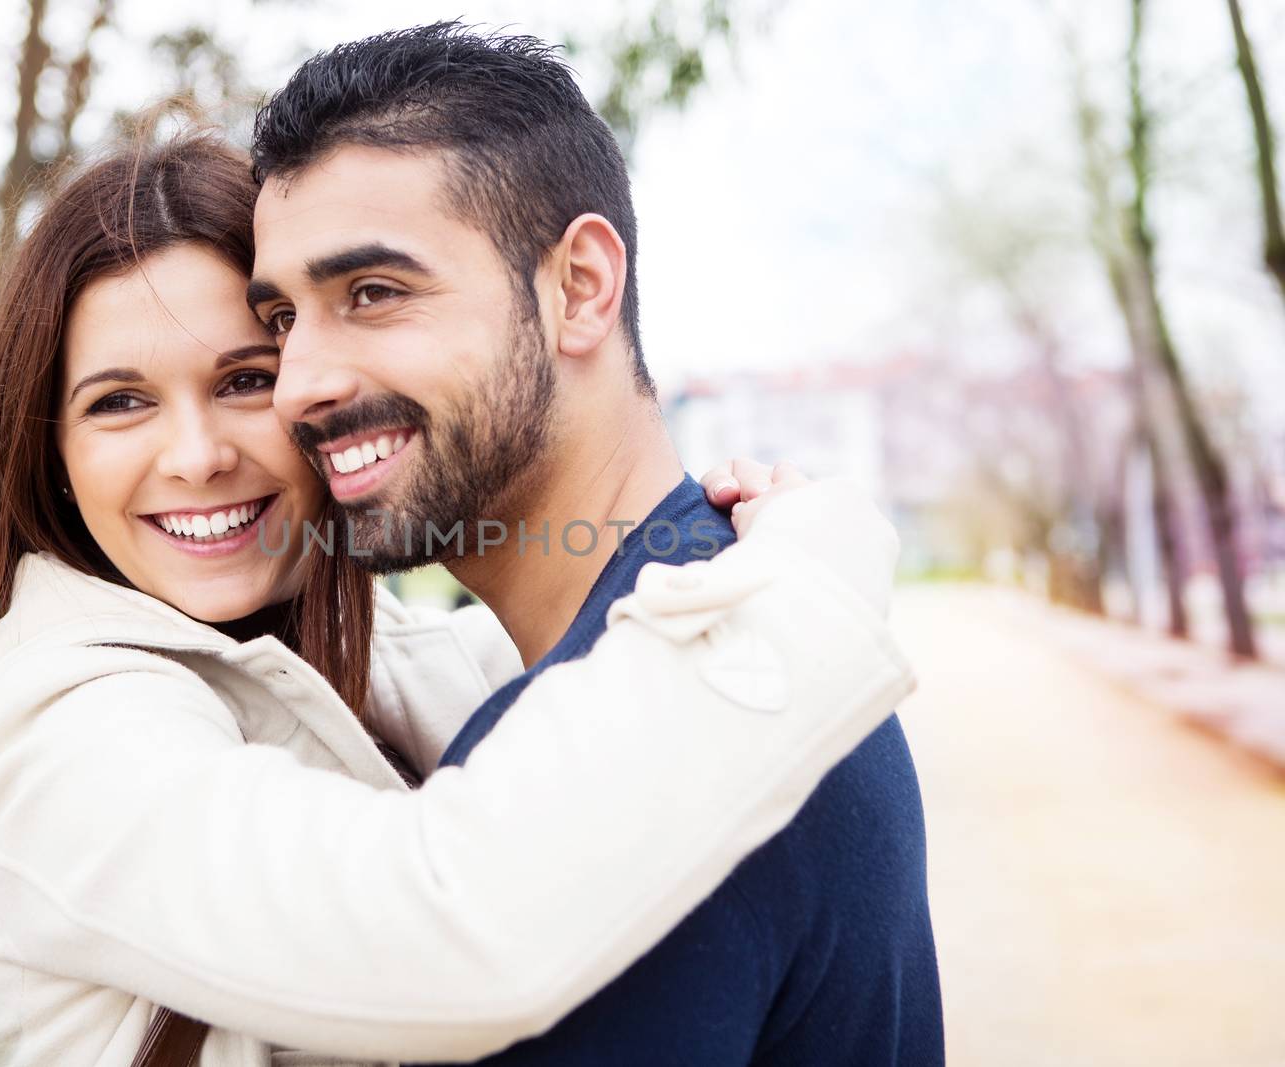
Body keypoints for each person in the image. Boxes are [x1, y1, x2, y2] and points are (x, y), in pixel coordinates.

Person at [0, 122, 913, 1067]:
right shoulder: (50, 738)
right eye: (120, 403)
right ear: (48, 450)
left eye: (244, 379)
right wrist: (803, 583)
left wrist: (729, 557)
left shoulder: (402, 660)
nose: (196, 454)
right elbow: (453, 922)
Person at [247, 23, 944, 1066]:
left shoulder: (628, 762)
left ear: (579, 285)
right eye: (280, 317)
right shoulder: (746, 634)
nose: (300, 381)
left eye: (374, 293)